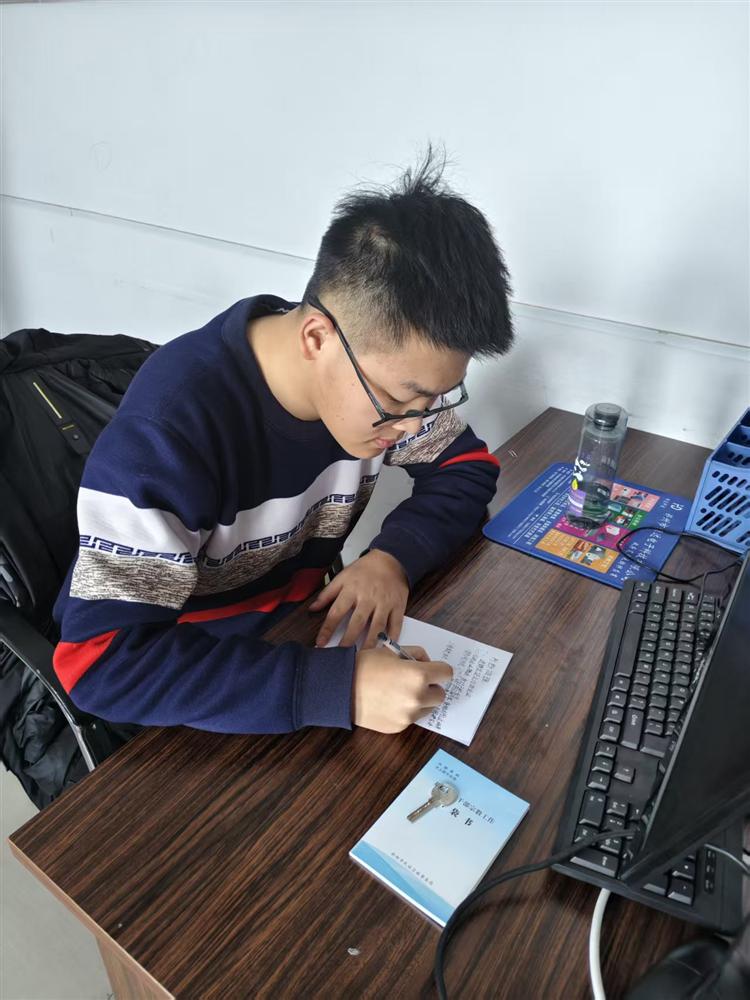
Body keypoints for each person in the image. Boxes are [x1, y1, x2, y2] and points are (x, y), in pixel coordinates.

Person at [52, 149, 514, 736]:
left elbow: (467, 466)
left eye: (436, 399)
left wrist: (392, 558)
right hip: (191, 689)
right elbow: (101, 664)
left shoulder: (380, 390)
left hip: (294, 633)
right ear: (317, 337)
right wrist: (339, 688)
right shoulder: (172, 431)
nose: (413, 424)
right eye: (404, 399)